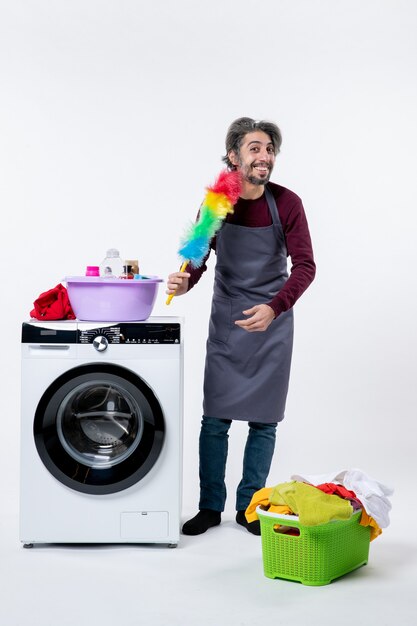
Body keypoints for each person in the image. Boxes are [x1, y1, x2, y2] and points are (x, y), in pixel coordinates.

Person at [167, 117, 316, 536]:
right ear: (234, 155)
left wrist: (275, 307)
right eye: (254, 148)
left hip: (272, 326)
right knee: (215, 420)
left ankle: (250, 507)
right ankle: (209, 506)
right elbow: (196, 261)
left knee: (264, 422)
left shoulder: (287, 203)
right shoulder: (216, 204)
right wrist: (183, 282)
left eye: (268, 149)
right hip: (228, 324)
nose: (264, 156)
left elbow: (305, 266)